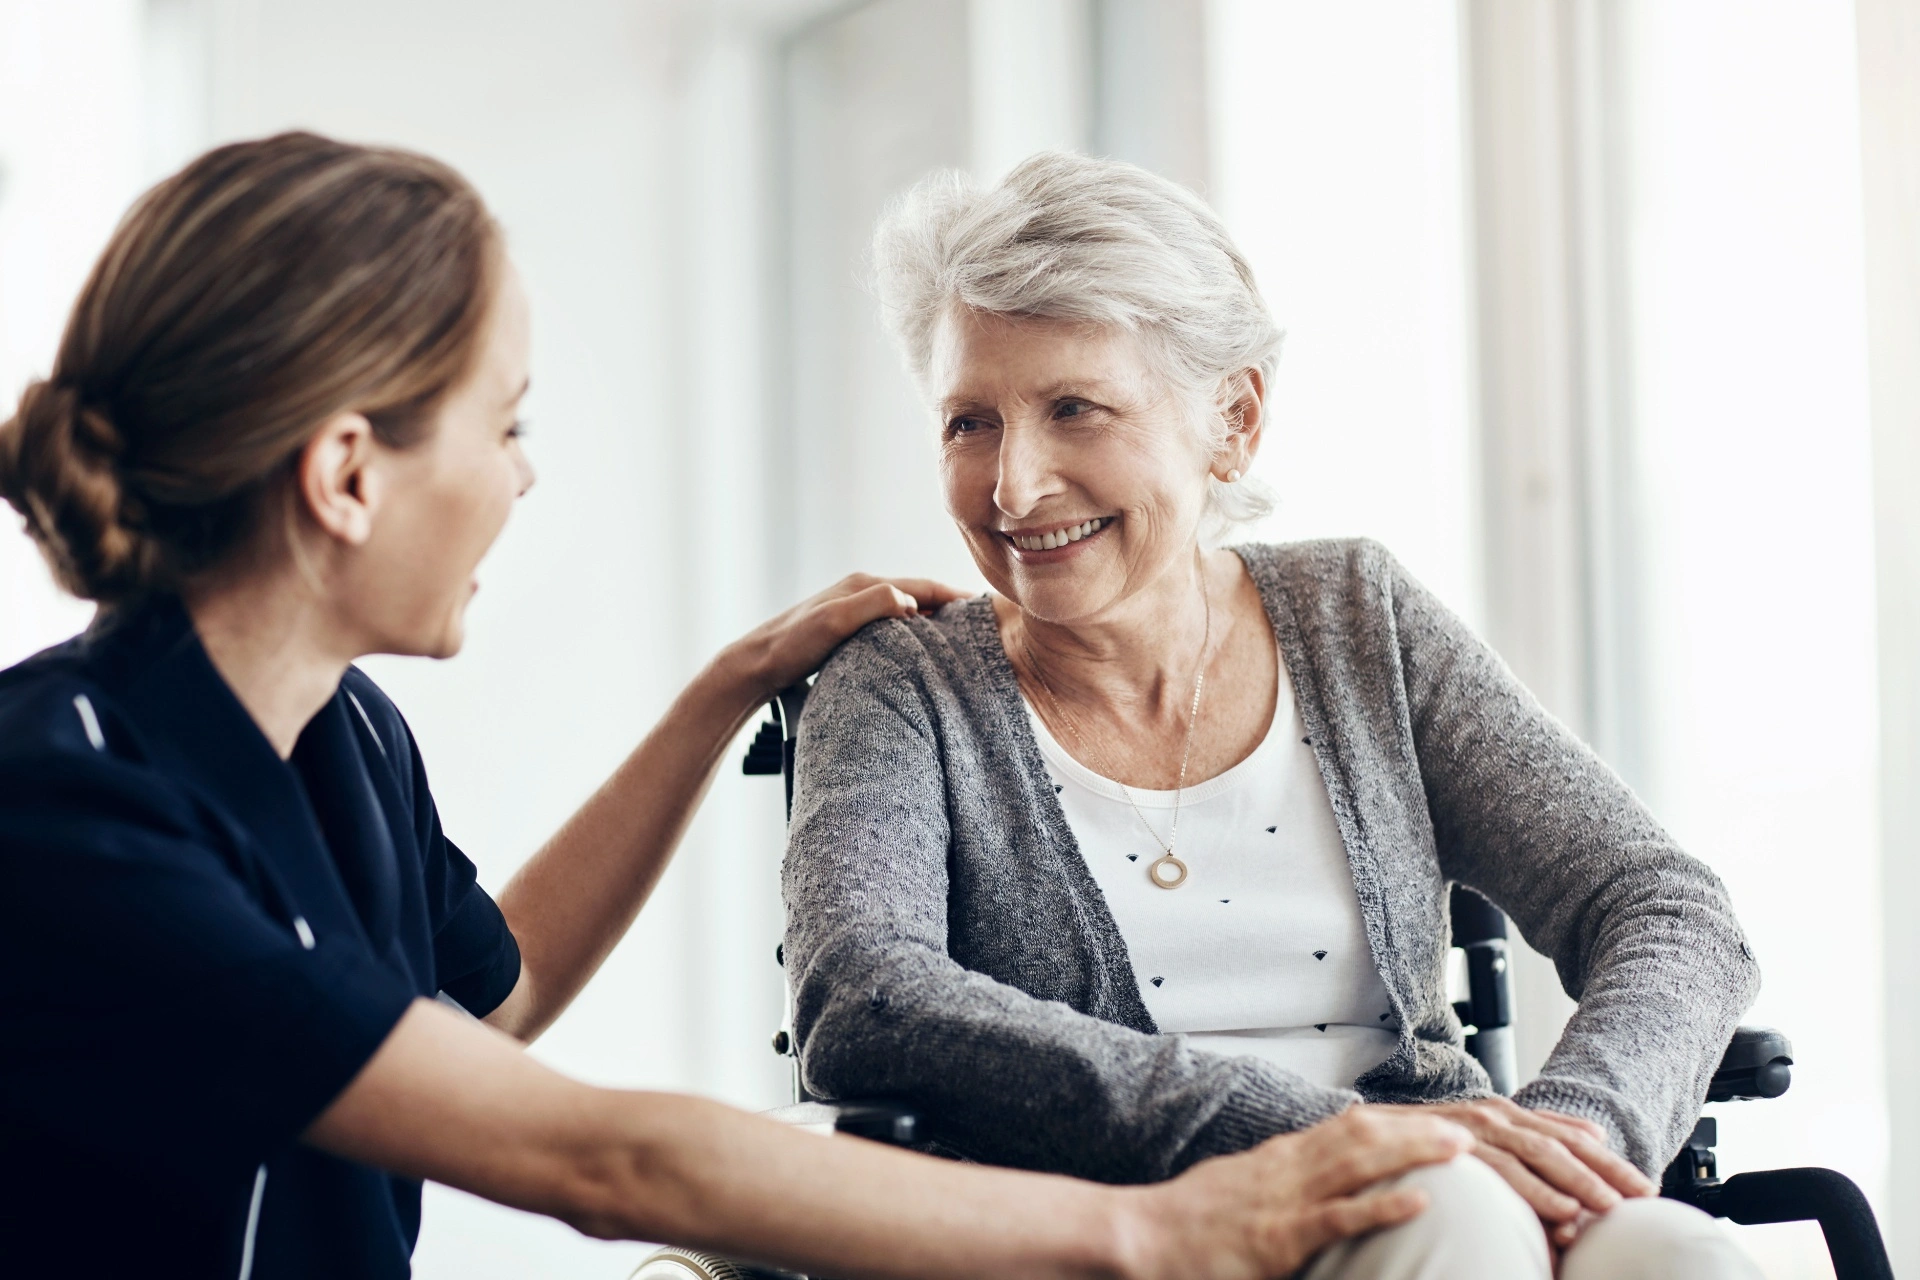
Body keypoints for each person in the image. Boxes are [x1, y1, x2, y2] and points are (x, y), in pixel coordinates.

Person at [0, 132, 1480, 1280]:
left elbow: (483, 1006)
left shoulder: (339, 739)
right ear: (345, 475)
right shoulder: (66, 806)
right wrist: (1154, 1236)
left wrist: (726, 692)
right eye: (504, 422)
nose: (526, 473)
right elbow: (605, 1160)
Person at [780, 151, 1766, 1278]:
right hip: (1119, 1239)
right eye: (970, 422)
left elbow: (1664, 904)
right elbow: (865, 999)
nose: (1014, 486)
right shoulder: (900, 687)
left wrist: (1574, 1136)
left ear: (1233, 418)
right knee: (1455, 1216)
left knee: (1683, 1254)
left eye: (1074, 409)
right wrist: (1326, 1135)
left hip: (1450, 1185)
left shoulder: (1359, 619)